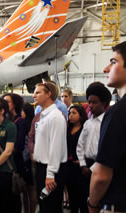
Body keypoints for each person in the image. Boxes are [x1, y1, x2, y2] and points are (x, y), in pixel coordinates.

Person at [89, 41, 126, 213]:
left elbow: (102, 175)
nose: (106, 69)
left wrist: (92, 204)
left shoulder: (117, 113)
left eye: (113, 62)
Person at [33, 81, 67, 213]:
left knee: (51, 207)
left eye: (38, 92)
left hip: (52, 169)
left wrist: (50, 173)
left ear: (48, 94)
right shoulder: (43, 115)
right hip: (42, 167)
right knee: (44, 206)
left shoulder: (55, 117)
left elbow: (55, 146)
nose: (34, 95)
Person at [76, 83, 111, 212]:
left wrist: (92, 168)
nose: (90, 105)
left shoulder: (107, 123)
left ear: (104, 103)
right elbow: (80, 145)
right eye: (89, 102)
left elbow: (106, 149)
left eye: (94, 102)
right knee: (84, 200)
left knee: (96, 201)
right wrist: (83, 164)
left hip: (100, 165)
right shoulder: (87, 123)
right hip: (86, 165)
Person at [66, 105, 88, 213]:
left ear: (81, 115)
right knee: (72, 196)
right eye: (70, 113)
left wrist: (83, 160)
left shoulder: (85, 128)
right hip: (69, 165)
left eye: (74, 113)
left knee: (83, 197)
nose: (71, 116)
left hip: (81, 166)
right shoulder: (67, 129)